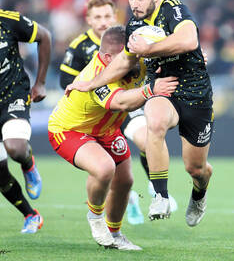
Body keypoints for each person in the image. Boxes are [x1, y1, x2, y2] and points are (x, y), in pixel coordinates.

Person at [66, 0, 214, 227]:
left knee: (197, 170)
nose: (135, 4)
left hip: (195, 91)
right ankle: (161, 196)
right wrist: (92, 82)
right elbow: (124, 60)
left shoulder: (173, 8)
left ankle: (199, 193)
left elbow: (190, 40)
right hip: (163, 87)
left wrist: (151, 48)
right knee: (153, 121)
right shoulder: (134, 23)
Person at [49, 25, 178, 250]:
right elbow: (120, 103)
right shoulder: (96, 76)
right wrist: (151, 89)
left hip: (106, 130)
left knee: (125, 180)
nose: (132, 59)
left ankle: (115, 234)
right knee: (105, 168)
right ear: (108, 58)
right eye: (125, 55)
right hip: (70, 130)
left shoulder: (136, 59)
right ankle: (95, 216)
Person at [0, 8, 51, 233]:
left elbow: (45, 36)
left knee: (15, 147)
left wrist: (40, 82)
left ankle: (28, 164)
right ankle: (31, 214)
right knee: (0, 173)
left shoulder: (8, 20)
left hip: (13, 94)